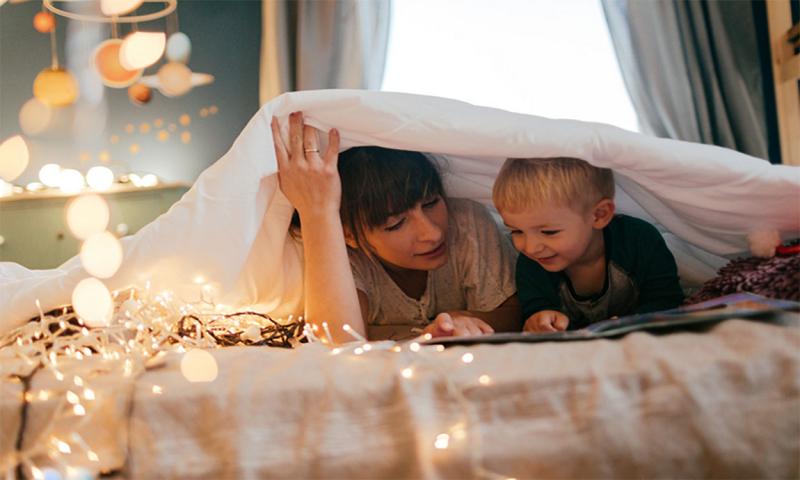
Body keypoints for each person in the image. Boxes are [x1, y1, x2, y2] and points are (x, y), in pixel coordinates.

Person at [271, 112, 520, 343]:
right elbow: (336, 341)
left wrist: (462, 318)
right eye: (396, 224)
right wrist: (319, 213)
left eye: (432, 202)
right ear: (348, 234)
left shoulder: (467, 222)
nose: (433, 233)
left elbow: (516, 314)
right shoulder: (345, 255)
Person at [491, 156, 684, 333]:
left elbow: (668, 302)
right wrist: (540, 320)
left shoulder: (639, 240)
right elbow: (535, 310)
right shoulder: (531, 263)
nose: (531, 247)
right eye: (516, 231)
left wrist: (629, 323)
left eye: (549, 232)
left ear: (599, 215)